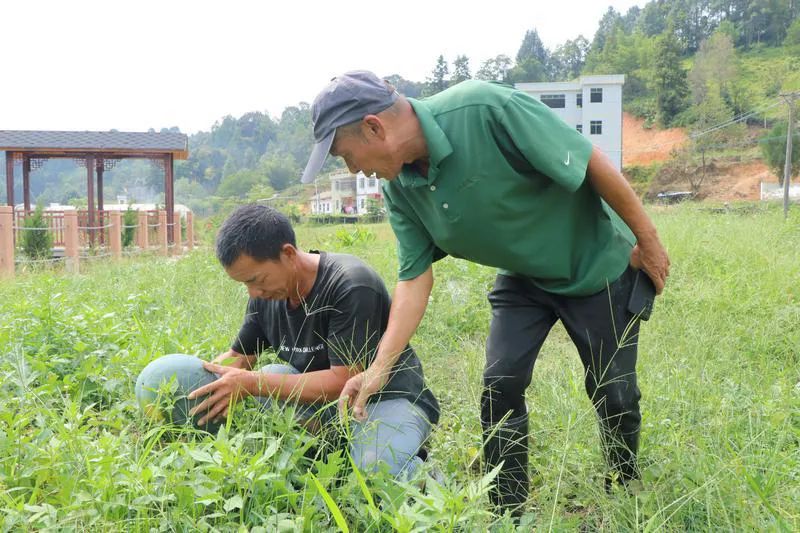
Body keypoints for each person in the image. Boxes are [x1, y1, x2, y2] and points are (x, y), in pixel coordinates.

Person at [301, 70, 670, 514]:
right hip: (523, 276)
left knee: (614, 390)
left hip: (594, 268)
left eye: (346, 155)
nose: (353, 169)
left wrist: (647, 241)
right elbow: (414, 277)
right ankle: (507, 509)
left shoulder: (484, 110)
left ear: (374, 127)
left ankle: (622, 482)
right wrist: (378, 368)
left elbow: (589, 161)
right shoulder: (399, 188)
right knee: (500, 383)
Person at [136, 204, 439, 479]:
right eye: (244, 284)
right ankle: (336, 444)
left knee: (376, 470)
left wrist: (249, 383)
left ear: (289, 254)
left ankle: (419, 473)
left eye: (257, 280)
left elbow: (342, 381)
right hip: (322, 406)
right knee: (266, 378)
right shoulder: (265, 296)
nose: (253, 293)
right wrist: (194, 383)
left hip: (382, 399)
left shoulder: (350, 284)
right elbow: (239, 359)